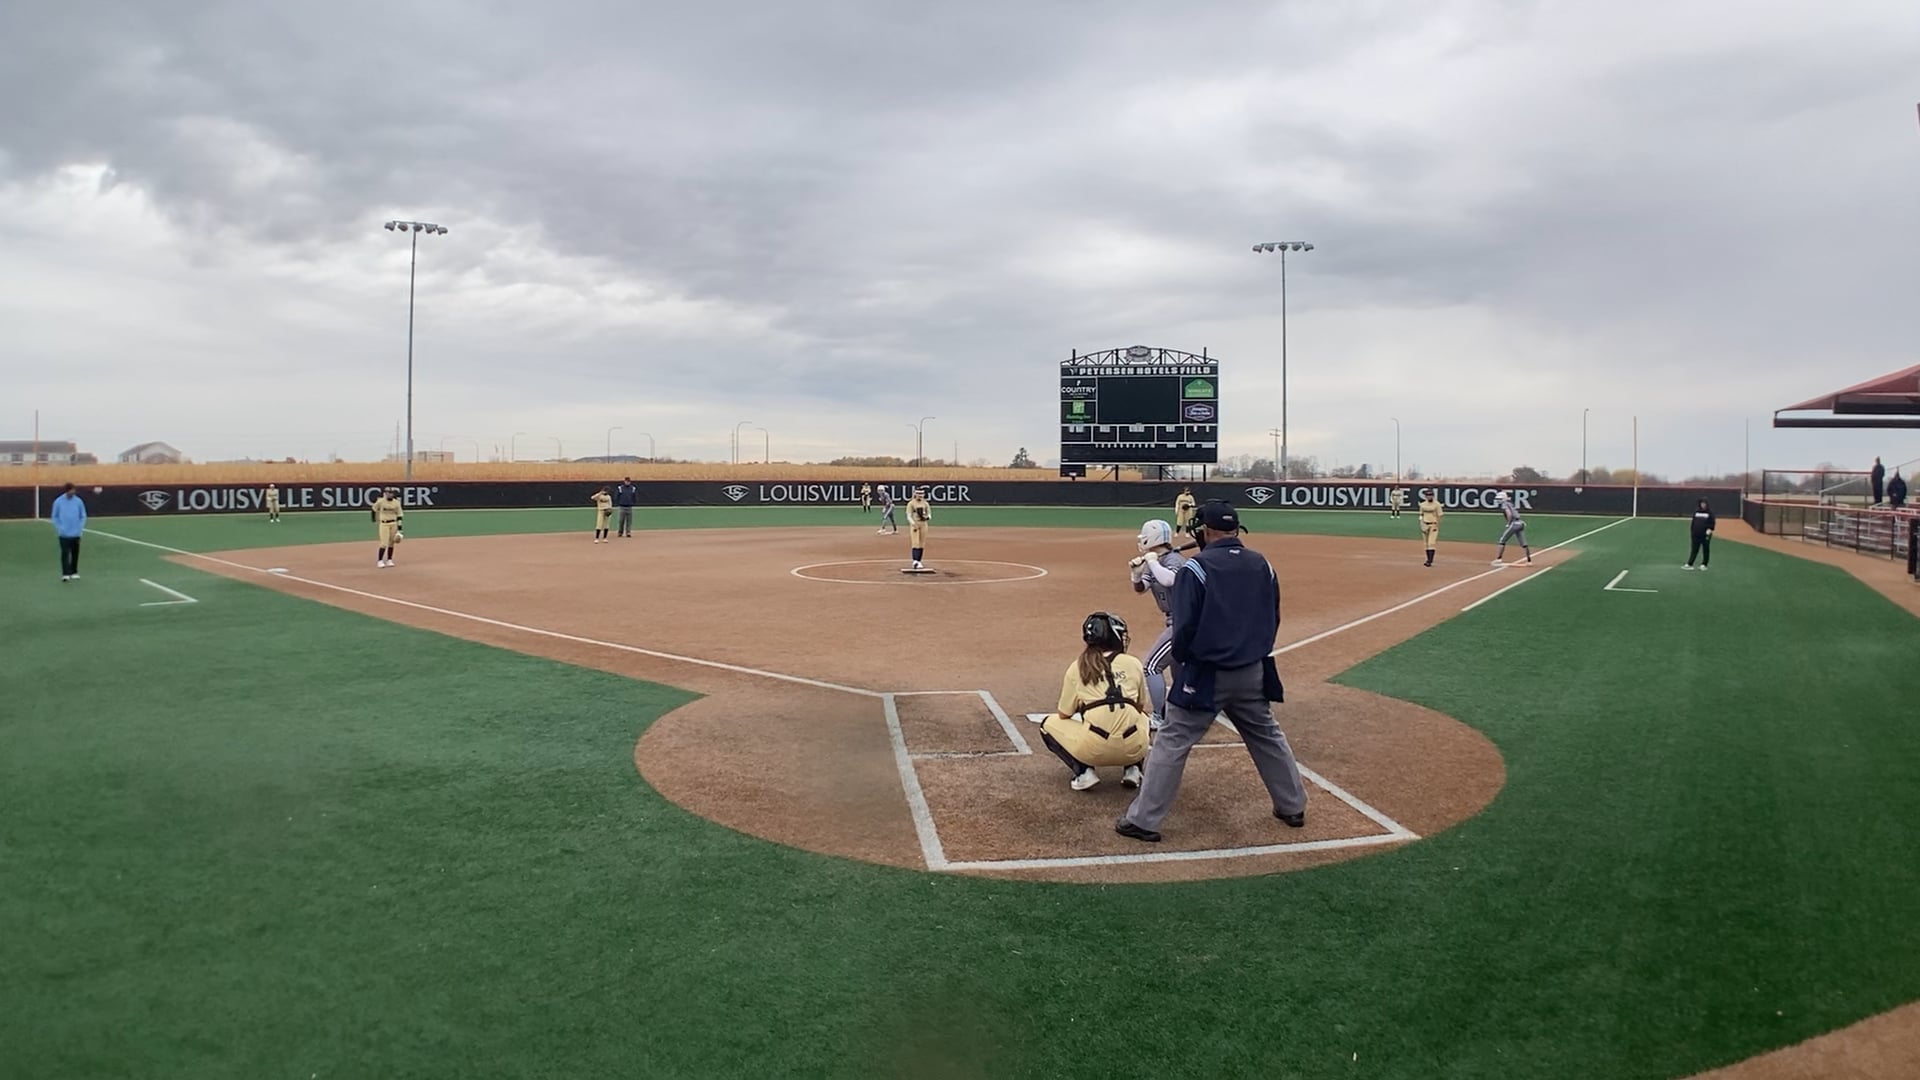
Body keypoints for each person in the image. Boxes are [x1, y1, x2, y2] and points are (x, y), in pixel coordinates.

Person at [1116, 500, 1309, 843]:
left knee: (1172, 740)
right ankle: (1292, 806)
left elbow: (1184, 628)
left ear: (1205, 531)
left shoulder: (1197, 568)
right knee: (1267, 735)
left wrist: (1187, 663)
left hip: (1206, 674)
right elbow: (1273, 616)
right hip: (1253, 670)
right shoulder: (1262, 564)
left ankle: (1144, 820)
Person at [1036, 612, 1150, 791]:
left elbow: (1064, 714)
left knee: (1047, 724)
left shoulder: (1078, 666)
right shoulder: (1133, 663)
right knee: (1142, 717)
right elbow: (1140, 706)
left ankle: (1083, 772)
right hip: (1134, 747)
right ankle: (1133, 769)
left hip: (1093, 748)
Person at [1128, 518, 1188, 731]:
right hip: (1175, 620)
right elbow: (1142, 588)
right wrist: (1136, 575)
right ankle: (1189, 709)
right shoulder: (1154, 560)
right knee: (1180, 668)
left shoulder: (1174, 560)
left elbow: (1169, 580)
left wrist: (1153, 562)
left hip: (1185, 622)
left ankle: (1159, 717)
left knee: (1152, 666)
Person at [52, 482, 87, 581]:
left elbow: (83, 515)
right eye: (71, 490)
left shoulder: (78, 501)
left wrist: (80, 527)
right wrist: (60, 528)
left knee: (75, 553)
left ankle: (74, 572)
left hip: (76, 533)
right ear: (67, 491)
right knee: (65, 553)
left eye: (74, 490)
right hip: (64, 534)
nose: (73, 492)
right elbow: (55, 516)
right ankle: (65, 573)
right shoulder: (58, 501)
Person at [1492, 492, 1532, 566]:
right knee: (1523, 543)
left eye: (1499, 499)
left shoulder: (1504, 504)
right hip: (1520, 523)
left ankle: (1499, 559)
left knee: (1502, 541)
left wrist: (1509, 523)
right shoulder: (1510, 503)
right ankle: (1529, 561)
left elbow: (1509, 514)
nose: (1498, 500)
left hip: (1514, 523)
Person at [370, 486, 404, 568]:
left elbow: (399, 515)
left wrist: (399, 529)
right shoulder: (381, 501)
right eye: (388, 493)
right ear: (385, 493)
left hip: (393, 523)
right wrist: (373, 519)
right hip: (384, 524)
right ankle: (380, 560)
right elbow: (373, 509)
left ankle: (389, 560)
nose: (389, 494)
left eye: (391, 493)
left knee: (392, 543)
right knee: (384, 543)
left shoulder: (396, 503)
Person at [1683, 497, 1715, 571]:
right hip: (1696, 534)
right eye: (1702, 503)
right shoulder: (1696, 512)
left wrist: (1710, 529)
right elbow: (1693, 522)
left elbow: (1712, 523)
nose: (1703, 505)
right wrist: (1692, 531)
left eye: (1704, 503)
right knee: (1694, 549)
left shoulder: (1710, 513)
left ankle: (1704, 564)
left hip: (1705, 534)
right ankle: (1690, 564)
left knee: (1705, 549)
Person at [906, 487, 932, 569]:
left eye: (921, 494)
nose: (920, 495)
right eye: (918, 494)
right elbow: (909, 516)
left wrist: (926, 517)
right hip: (915, 524)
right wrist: (913, 524)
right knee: (915, 543)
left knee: (922, 543)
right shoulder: (911, 504)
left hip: (923, 524)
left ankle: (919, 561)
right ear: (915, 494)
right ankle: (915, 561)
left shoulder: (925, 504)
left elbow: (929, 514)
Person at [1418, 489, 1444, 567]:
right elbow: (1421, 515)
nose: (1429, 496)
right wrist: (1421, 523)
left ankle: (1429, 561)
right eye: (1428, 495)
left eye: (1431, 495)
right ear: (1425, 496)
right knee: (1426, 543)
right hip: (1425, 525)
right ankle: (1428, 559)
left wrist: (1437, 525)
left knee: (1431, 543)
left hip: (1433, 525)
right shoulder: (1423, 505)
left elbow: (1440, 516)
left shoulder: (1437, 504)